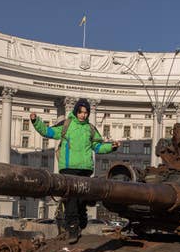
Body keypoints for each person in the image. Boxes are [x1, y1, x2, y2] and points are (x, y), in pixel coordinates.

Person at [30, 98, 119, 243]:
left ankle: (82, 219)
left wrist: (111, 147)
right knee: (71, 199)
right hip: (68, 168)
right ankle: (72, 227)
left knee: (81, 199)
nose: (83, 115)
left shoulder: (90, 129)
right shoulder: (67, 124)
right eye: (80, 112)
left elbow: (97, 147)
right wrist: (36, 121)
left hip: (85, 169)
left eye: (85, 113)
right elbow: (48, 132)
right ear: (76, 111)